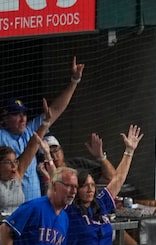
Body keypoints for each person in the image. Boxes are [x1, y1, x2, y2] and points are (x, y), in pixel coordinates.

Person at [0, 57, 85, 202]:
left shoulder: (30, 130)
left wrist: (74, 81)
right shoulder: (1, 135)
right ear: (4, 118)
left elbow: (56, 110)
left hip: (34, 204)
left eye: (24, 114)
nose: (23, 119)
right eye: (16, 114)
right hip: (8, 205)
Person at [62, 125, 144, 245]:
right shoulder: (69, 210)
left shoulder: (101, 204)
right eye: (85, 185)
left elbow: (118, 179)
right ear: (75, 189)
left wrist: (129, 151)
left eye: (93, 185)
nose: (90, 189)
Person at [0, 165, 77, 245]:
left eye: (75, 187)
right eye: (69, 186)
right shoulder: (35, 207)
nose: (73, 191)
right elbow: (5, 229)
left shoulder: (64, 218)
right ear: (55, 186)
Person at [0, 100, 53, 214]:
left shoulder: (17, 175)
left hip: (20, 225)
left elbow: (31, 147)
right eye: (9, 162)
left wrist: (46, 122)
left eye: (15, 161)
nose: (14, 166)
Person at [37, 132, 117, 193]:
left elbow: (112, 178)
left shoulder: (78, 163)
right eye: (49, 153)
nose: (54, 156)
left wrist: (101, 157)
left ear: (62, 150)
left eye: (56, 151)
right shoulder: (43, 174)